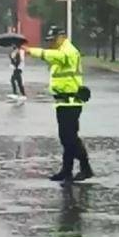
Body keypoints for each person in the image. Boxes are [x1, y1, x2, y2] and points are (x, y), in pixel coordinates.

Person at [25, 26, 92, 184]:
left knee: (70, 138)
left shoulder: (68, 50)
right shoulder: (62, 50)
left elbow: (54, 56)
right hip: (62, 102)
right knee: (66, 138)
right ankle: (68, 170)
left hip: (71, 102)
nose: (51, 44)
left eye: (53, 40)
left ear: (61, 37)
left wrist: (31, 51)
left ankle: (83, 168)